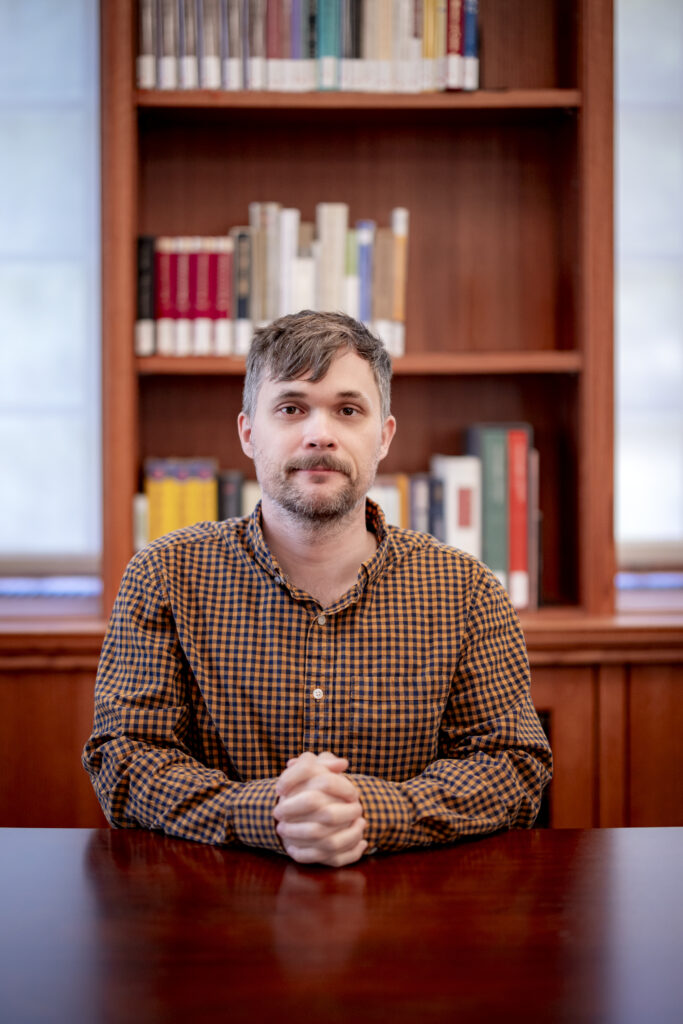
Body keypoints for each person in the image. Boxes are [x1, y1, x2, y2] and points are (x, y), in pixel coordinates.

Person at [83, 310, 552, 867]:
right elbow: (124, 758)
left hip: (413, 920)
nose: (320, 433)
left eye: (348, 410)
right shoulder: (164, 575)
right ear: (248, 433)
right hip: (213, 915)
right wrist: (265, 812)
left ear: (383, 436)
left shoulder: (466, 589)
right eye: (291, 408)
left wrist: (374, 810)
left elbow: (513, 765)